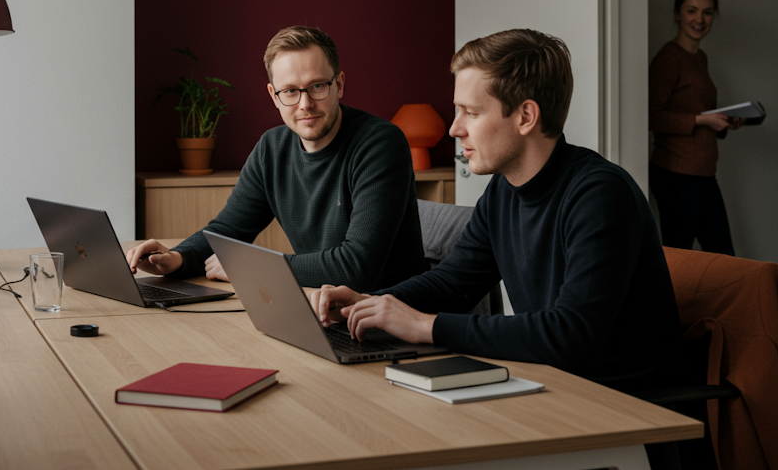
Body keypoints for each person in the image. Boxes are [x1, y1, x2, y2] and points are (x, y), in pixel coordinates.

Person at [309, 29, 680, 393]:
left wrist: (425, 327)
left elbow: (571, 334)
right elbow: (453, 282)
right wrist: (370, 303)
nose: (455, 129)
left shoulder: (600, 195)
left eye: (470, 112)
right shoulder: (504, 190)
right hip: (555, 386)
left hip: (622, 405)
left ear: (525, 117)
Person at [126, 26, 429, 292]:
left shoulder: (379, 144)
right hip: (321, 305)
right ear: (274, 95)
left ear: (339, 84)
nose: (305, 104)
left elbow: (357, 268)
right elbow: (229, 230)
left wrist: (252, 268)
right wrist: (177, 258)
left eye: (317, 86)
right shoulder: (273, 148)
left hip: (388, 316)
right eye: (290, 91)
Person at [648, 0, 744, 256]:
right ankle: (671, 302)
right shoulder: (668, 58)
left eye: (707, 12)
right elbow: (653, 117)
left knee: (723, 256)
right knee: (680, 258)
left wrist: (723, 122)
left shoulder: (699, 58)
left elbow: (697, 111)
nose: (699, 19)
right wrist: (703, 121)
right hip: (675, 175)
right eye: (692, 11)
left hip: (702, 173)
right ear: (678, 13)